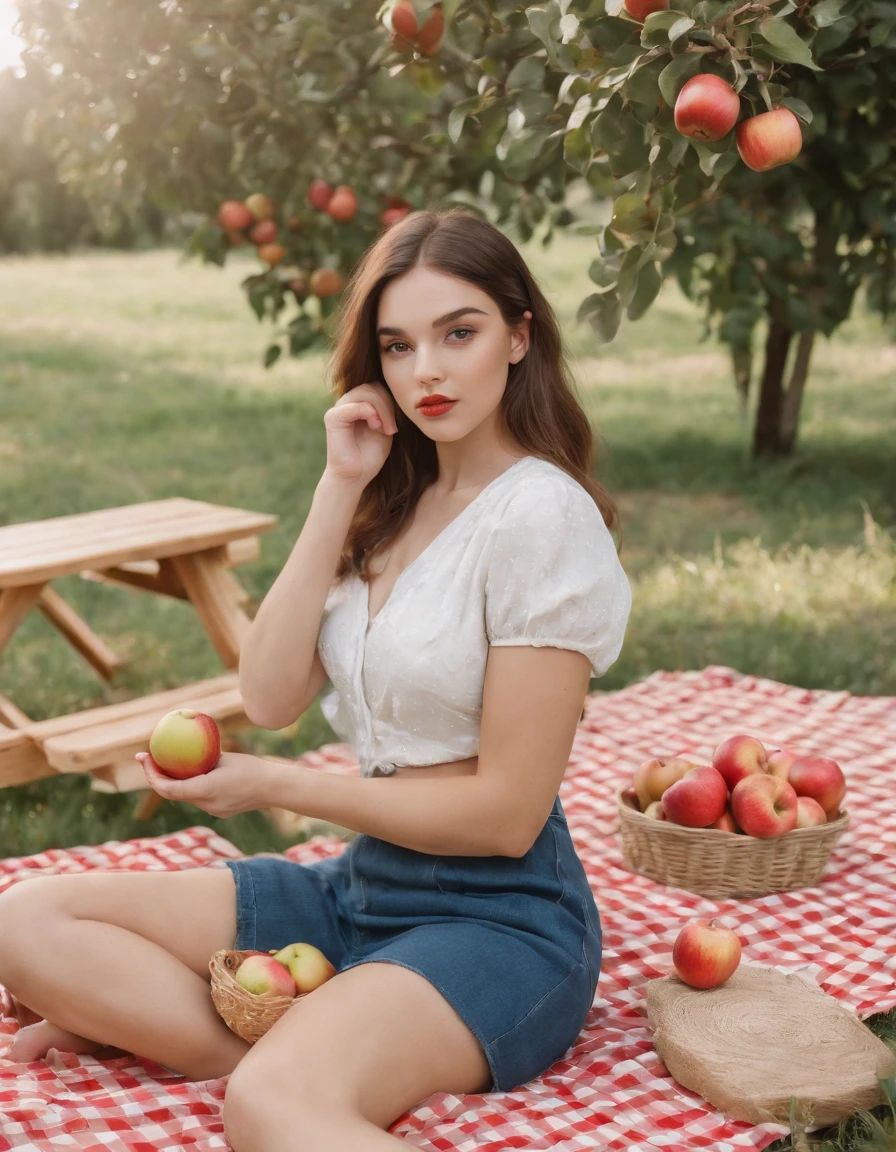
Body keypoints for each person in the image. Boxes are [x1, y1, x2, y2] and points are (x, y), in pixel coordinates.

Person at [0, 208, 632, 1150]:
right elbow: (268, 696)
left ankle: (282, 1055)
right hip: (359, 892)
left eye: (459, 332)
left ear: (518, 335)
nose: (427, 371)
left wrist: (277, 785)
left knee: (275, 1111)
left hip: (499, 922)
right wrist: (340, 485)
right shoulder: (390, 503)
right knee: (28, 921)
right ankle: (287, 1036)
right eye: (398, 344)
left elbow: (506, 814)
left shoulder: (541, 518)